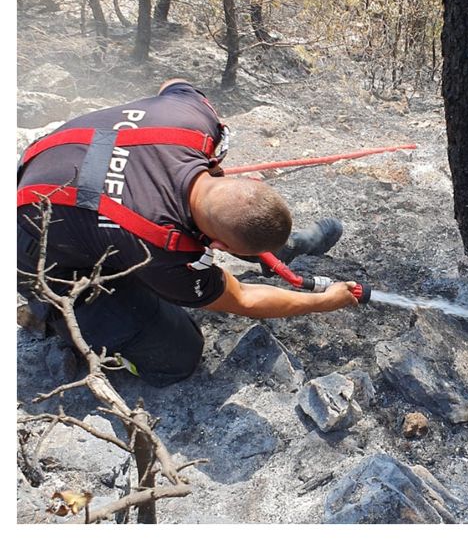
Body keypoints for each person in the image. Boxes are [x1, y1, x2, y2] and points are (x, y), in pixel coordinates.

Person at [17, 79, 356, 386]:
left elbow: (175, 83)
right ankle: (53, 313)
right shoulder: (166, 251)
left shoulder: (194, 118)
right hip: (35, 250)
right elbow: (243, 299)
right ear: (218, 246)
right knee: (177, 357)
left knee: (220, 215)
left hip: (55, 172)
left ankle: (276, 251)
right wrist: (322, 302)